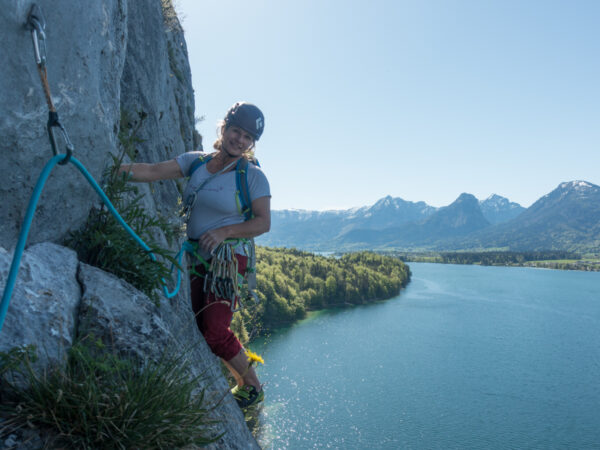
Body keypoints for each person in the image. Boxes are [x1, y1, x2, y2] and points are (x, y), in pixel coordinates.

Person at [120, 102, 271, 408]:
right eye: (236, 131)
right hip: (196, 255)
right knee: (195, 322)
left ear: (251, 144)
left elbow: (263, 223)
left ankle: (252, 385)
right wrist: (112, 170)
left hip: (228, 261)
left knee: (214, 329)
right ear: (224, 128)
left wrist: (225, 232)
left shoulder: (252, 177)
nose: (239, 140)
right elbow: (152, 171)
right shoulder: (196, 163)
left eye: (247, 138)